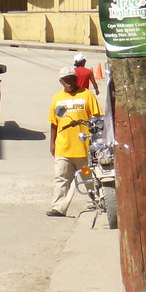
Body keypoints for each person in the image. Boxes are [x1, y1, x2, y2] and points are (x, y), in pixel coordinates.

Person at [48, 66, 101, 217]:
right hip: (63, 148)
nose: (69, 83)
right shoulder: (57, 98)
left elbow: (96, 119)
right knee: (61, 178)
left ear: (76, 79)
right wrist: (52, 143)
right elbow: (53, 123)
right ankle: (58, 207)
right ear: (61, 81)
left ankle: (95, 202)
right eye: (66, 80)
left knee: (88, 176)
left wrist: (96, 142)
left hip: (83, 148)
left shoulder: (87, 95)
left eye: (72, 79)